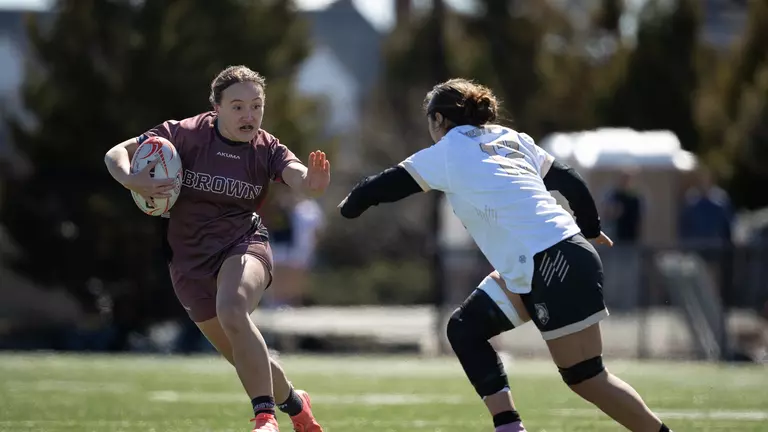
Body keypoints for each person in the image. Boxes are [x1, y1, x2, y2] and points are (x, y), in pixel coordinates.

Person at [339, 78, 673, 432]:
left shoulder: (448, 151)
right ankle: (509, 427)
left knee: (586, 377)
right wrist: (590, 228)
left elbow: (381, 187)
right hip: (555, 256)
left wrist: (347, 207)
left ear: (438, 119)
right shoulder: (511, 138)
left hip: (550, 262)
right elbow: (571, 181)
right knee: (466, 329)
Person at [104, 65, 329, 432]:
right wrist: (132, 179)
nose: (249, 115)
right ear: (216, 108)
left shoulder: (267, 148)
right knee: (240, 350)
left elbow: (298, 175)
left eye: (256, 106)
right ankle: (295, 403)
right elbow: (116, 153)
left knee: (232, 309)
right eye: (238, 106)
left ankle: (265, 419)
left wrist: (312, 183)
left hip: (243, 244)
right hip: (188, 261)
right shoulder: (184, 134)